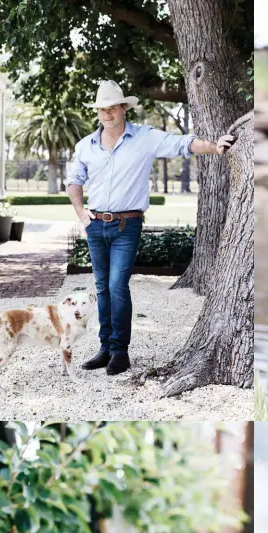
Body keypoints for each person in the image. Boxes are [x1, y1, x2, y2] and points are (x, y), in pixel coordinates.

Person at [66, 80, 234, 375]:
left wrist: (215, 147)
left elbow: (183, 144)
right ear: (98, 112)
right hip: (95, 226)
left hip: (126, 226)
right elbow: (73, 182)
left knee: (118, 286)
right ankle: (104, 349)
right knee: (102, 289)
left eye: (112, 108)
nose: (107, 114)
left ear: (123, 109)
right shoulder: (85, 146)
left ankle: (120, 352)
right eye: (102, 109)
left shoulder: (144, 138)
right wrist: (81, 214)